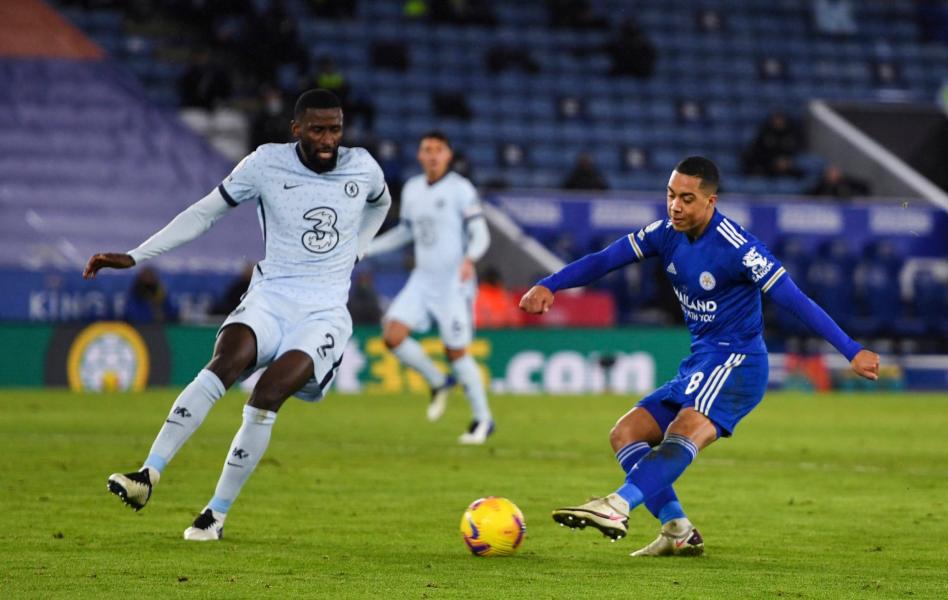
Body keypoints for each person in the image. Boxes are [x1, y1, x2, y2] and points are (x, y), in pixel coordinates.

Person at [519, 156, 879, 556]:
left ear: (711, 201)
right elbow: (605, 259)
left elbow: (795, 299)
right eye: (671, 195)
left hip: (738, 363)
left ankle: (617, 506)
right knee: (626, 433)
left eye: (687, 199)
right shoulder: (665, 233)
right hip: (701, 362)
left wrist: (852, 349)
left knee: (683, 429)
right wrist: (550, 284)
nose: (675, 206)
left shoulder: (739, 249)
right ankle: (678, 530)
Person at [83, 89, 391, 541]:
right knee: (224, 364)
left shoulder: (362, 166)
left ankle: (215, 514)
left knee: (265, 395)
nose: (329, 139)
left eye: (336, 128)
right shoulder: (265, 164)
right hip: (269, 296)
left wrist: (360, 245)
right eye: (318, 129)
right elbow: (204, 213)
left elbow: (380, 203)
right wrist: (136, 255)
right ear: (297, 129)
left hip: (323, 313)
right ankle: (147, 475)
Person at [364, 131, 494, 444]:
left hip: (454, 282)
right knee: (392, 336)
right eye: (427, 149)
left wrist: (469, 258)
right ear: (420, 156)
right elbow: (404, 233)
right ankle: (438, 381)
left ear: (448, 155)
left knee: (456, 352)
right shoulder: (411, 189)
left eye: (439, 149)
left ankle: (482, 420)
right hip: (422, 280)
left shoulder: (460, 189)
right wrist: (366, 248)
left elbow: (481, 234)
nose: (433, 155)